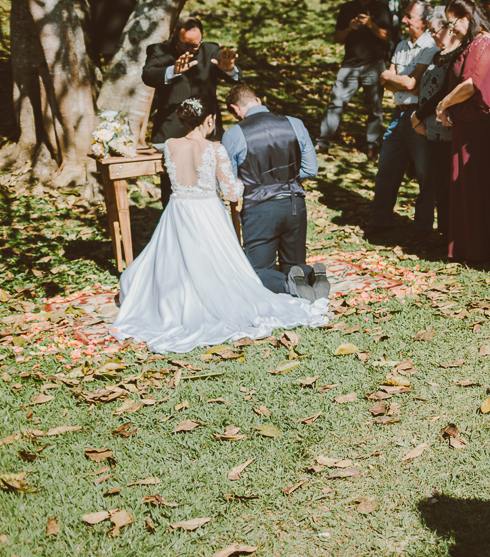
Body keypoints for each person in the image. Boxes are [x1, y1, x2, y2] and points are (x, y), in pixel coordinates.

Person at [110, 98, 328, 353]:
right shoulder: (214, 149)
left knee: (178, 259)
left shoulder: (170, 145)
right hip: (208, 211)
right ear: (209, 120)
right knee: (218, 262)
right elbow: (231, 193)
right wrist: (243, 183)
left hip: (178, 210)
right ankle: (304, 278)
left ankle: (181, 300)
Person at [222, 84, 328, 301]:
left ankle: (288, 285)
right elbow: (311, 169)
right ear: (258, 100)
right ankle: (311, 276)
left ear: (235, 108)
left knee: (258, 271)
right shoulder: (295, 123)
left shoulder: (233, 134)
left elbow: (230, 183)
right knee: (294, 264)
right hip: (294, 204)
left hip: (259, 209)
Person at [435, 0, 490, 263]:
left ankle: (487, 249)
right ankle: (469, 247)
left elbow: (471, 84)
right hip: (468, 127)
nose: (451, 29)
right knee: (467, 189)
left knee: (484, 189)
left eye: (452, 23)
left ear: (466, 18)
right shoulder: (472, 43)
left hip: (484, 131)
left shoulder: (484, 44)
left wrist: (443, 105)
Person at [143, 18, 240, 204]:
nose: (191, 50)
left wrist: (229, 70)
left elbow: (234, 77)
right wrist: (172, 71)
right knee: (172, 185)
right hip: (171, 128)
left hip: (208, 129)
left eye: (195, 45)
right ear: (175, 36)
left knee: (210, 181)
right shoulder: (158, 50)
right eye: (185, 45)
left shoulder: (211, 50)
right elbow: (148, 75)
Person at [368, 0, 439, 235]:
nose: (404, 20)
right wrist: (397, 80)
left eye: (410, 16)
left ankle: (422, 228)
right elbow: (385, 79)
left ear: (424, 21)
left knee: (425, 173)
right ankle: (380, 222)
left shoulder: (430, 46)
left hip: (418, 115)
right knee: (386, 170)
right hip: (397, 114)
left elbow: (412, 84)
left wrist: (396, 80)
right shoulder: (401, 45)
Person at [315, 0, 394, 159]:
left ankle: (372, 145)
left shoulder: (381, 9)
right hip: (350, 65)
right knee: (335, 103)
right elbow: (336, 37)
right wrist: (349, 28)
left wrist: (371, 25)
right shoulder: (347, 8)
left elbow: (388, 37)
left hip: (374, 64)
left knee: (375, 108)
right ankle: (323, 142)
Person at [412, 7, 462, 238]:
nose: (431, 35)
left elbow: (443, 92)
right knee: (438, 184)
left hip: (446, 130)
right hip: (430, 130)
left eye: (434, 30)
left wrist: (419, 114)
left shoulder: (457, 56)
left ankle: (451, 235)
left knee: (449, 185)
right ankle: (442, 232)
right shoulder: (435, 55)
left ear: (448, 28)